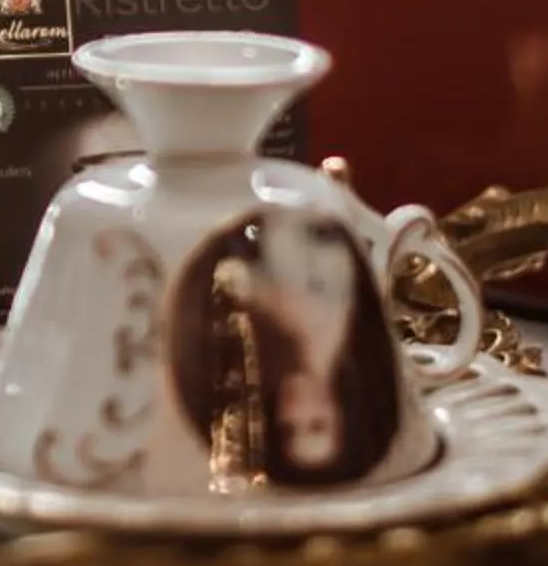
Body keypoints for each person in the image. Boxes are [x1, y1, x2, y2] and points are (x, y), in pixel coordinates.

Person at [171, 208, 402, 488]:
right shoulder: (344, 334)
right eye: (316, 424)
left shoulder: (253, 355)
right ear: (341, 414)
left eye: (289, 430)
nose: (294, 413)